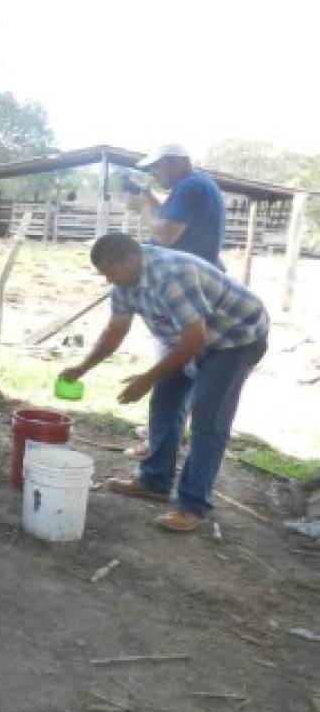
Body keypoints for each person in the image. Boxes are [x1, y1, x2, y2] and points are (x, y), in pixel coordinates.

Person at [59, 233, 269, 532]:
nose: (108, 280)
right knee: (165, 402)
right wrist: (82, 368)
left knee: (208, 420)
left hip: (235, 338)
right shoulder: (125, 282)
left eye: (111, 272)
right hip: (188, 338)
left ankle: (193, 506)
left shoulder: (172, 274)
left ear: (132, 260)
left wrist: (147, 377)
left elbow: (196, 338)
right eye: (104, 274)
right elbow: (115, 331)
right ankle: (155, 480)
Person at [131, 143, 225, 267]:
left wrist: (143, 209)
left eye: (157, 166)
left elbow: (164, 237)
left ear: (178, 163)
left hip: (184, 273)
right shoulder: (198, 182)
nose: (152, 173)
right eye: (150, 168)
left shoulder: (189, 187)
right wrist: (152, 202)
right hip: (192, 267)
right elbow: (174, 221)